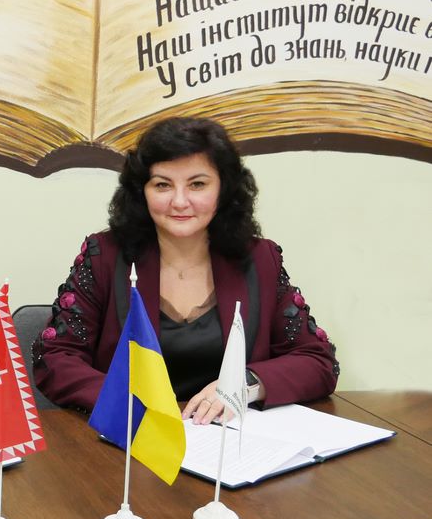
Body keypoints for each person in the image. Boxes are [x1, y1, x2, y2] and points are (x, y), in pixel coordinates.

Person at [32, 117, 339, 424]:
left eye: (197, 184)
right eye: (162, 185)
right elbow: (56, 358)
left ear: (223, 189)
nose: (179, 202)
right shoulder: (105, 255)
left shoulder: (260, 259)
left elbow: (317, 361)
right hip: (130, 436)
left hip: (228, 440)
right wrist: (126, 402)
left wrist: (244, 385)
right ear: (142, 191)